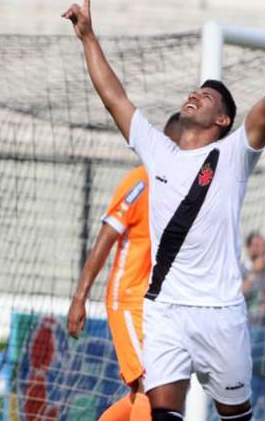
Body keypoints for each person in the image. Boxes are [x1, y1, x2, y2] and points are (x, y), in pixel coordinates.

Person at [63, 0, 265, 420]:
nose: (196, 94)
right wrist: (88, 37)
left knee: (234, 414)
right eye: (195, 90)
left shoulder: (235, 154)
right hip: (163, 308)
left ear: (223, 120)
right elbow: (114, 97)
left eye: (208, 95)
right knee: (162, 412)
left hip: (220, 314)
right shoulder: (158, 153)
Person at [67, 113, 181, 421]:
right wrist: (79, 297)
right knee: (150, 384)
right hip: (128, 299)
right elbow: (106, 237)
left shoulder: (182, 188)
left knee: (143, 393)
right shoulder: (140, 182)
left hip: (157, 304)